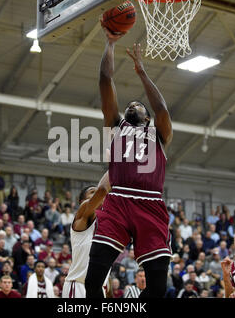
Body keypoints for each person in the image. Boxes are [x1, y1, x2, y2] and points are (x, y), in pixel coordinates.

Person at [85, 20, 173, 299]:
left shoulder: (158, 133)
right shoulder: (117, 126)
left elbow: (161, 107)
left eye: (138, 105)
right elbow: (104, 81)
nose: (132, 105)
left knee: (159, 289)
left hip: (151, 204)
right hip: (119, 200)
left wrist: (142, 72)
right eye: (129, 105)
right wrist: (110, 43)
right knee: (93, 280)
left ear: (146, 117)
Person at [62, 174, 110, 298]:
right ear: (81, 201)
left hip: (99, 288)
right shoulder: (82, 215)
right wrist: (117, 164)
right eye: (92, 192)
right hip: (78, 285)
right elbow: (103, 189)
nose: (97, 194)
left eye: (96, 192)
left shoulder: (108, 223)